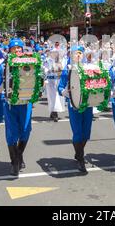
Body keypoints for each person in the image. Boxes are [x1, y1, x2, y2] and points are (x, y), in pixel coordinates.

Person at [0, 39, 35, 177]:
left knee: (25, 130)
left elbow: (38, 77)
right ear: (9, 50)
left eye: (19, 48)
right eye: (14, 49)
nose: (17, 51)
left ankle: (19, 155)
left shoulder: (31, 63)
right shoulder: (4, 65)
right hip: (10, 104)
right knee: (11, 133)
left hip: (26, 103)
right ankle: (14, 162)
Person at [58, 45, 94, 173]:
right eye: (75, 53)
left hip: (88, 104)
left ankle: (78, 152)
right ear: (71, 55)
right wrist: (65, 92)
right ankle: (80, 158)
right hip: (74, 105)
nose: (78, 55)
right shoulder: (67, 70)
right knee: (78, 132)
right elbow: (60, 87)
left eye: (80, 53)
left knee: (86, 132)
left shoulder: (89, 68)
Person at [43, 42, 66, 122]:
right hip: (50, 80)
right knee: (53, 96)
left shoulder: (62, 60)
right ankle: (54, 113)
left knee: (59, 97)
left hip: (59, 80)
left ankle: (53, 111)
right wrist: (50, 70)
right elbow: (44, 69)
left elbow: (64, 69)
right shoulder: (47, 60)